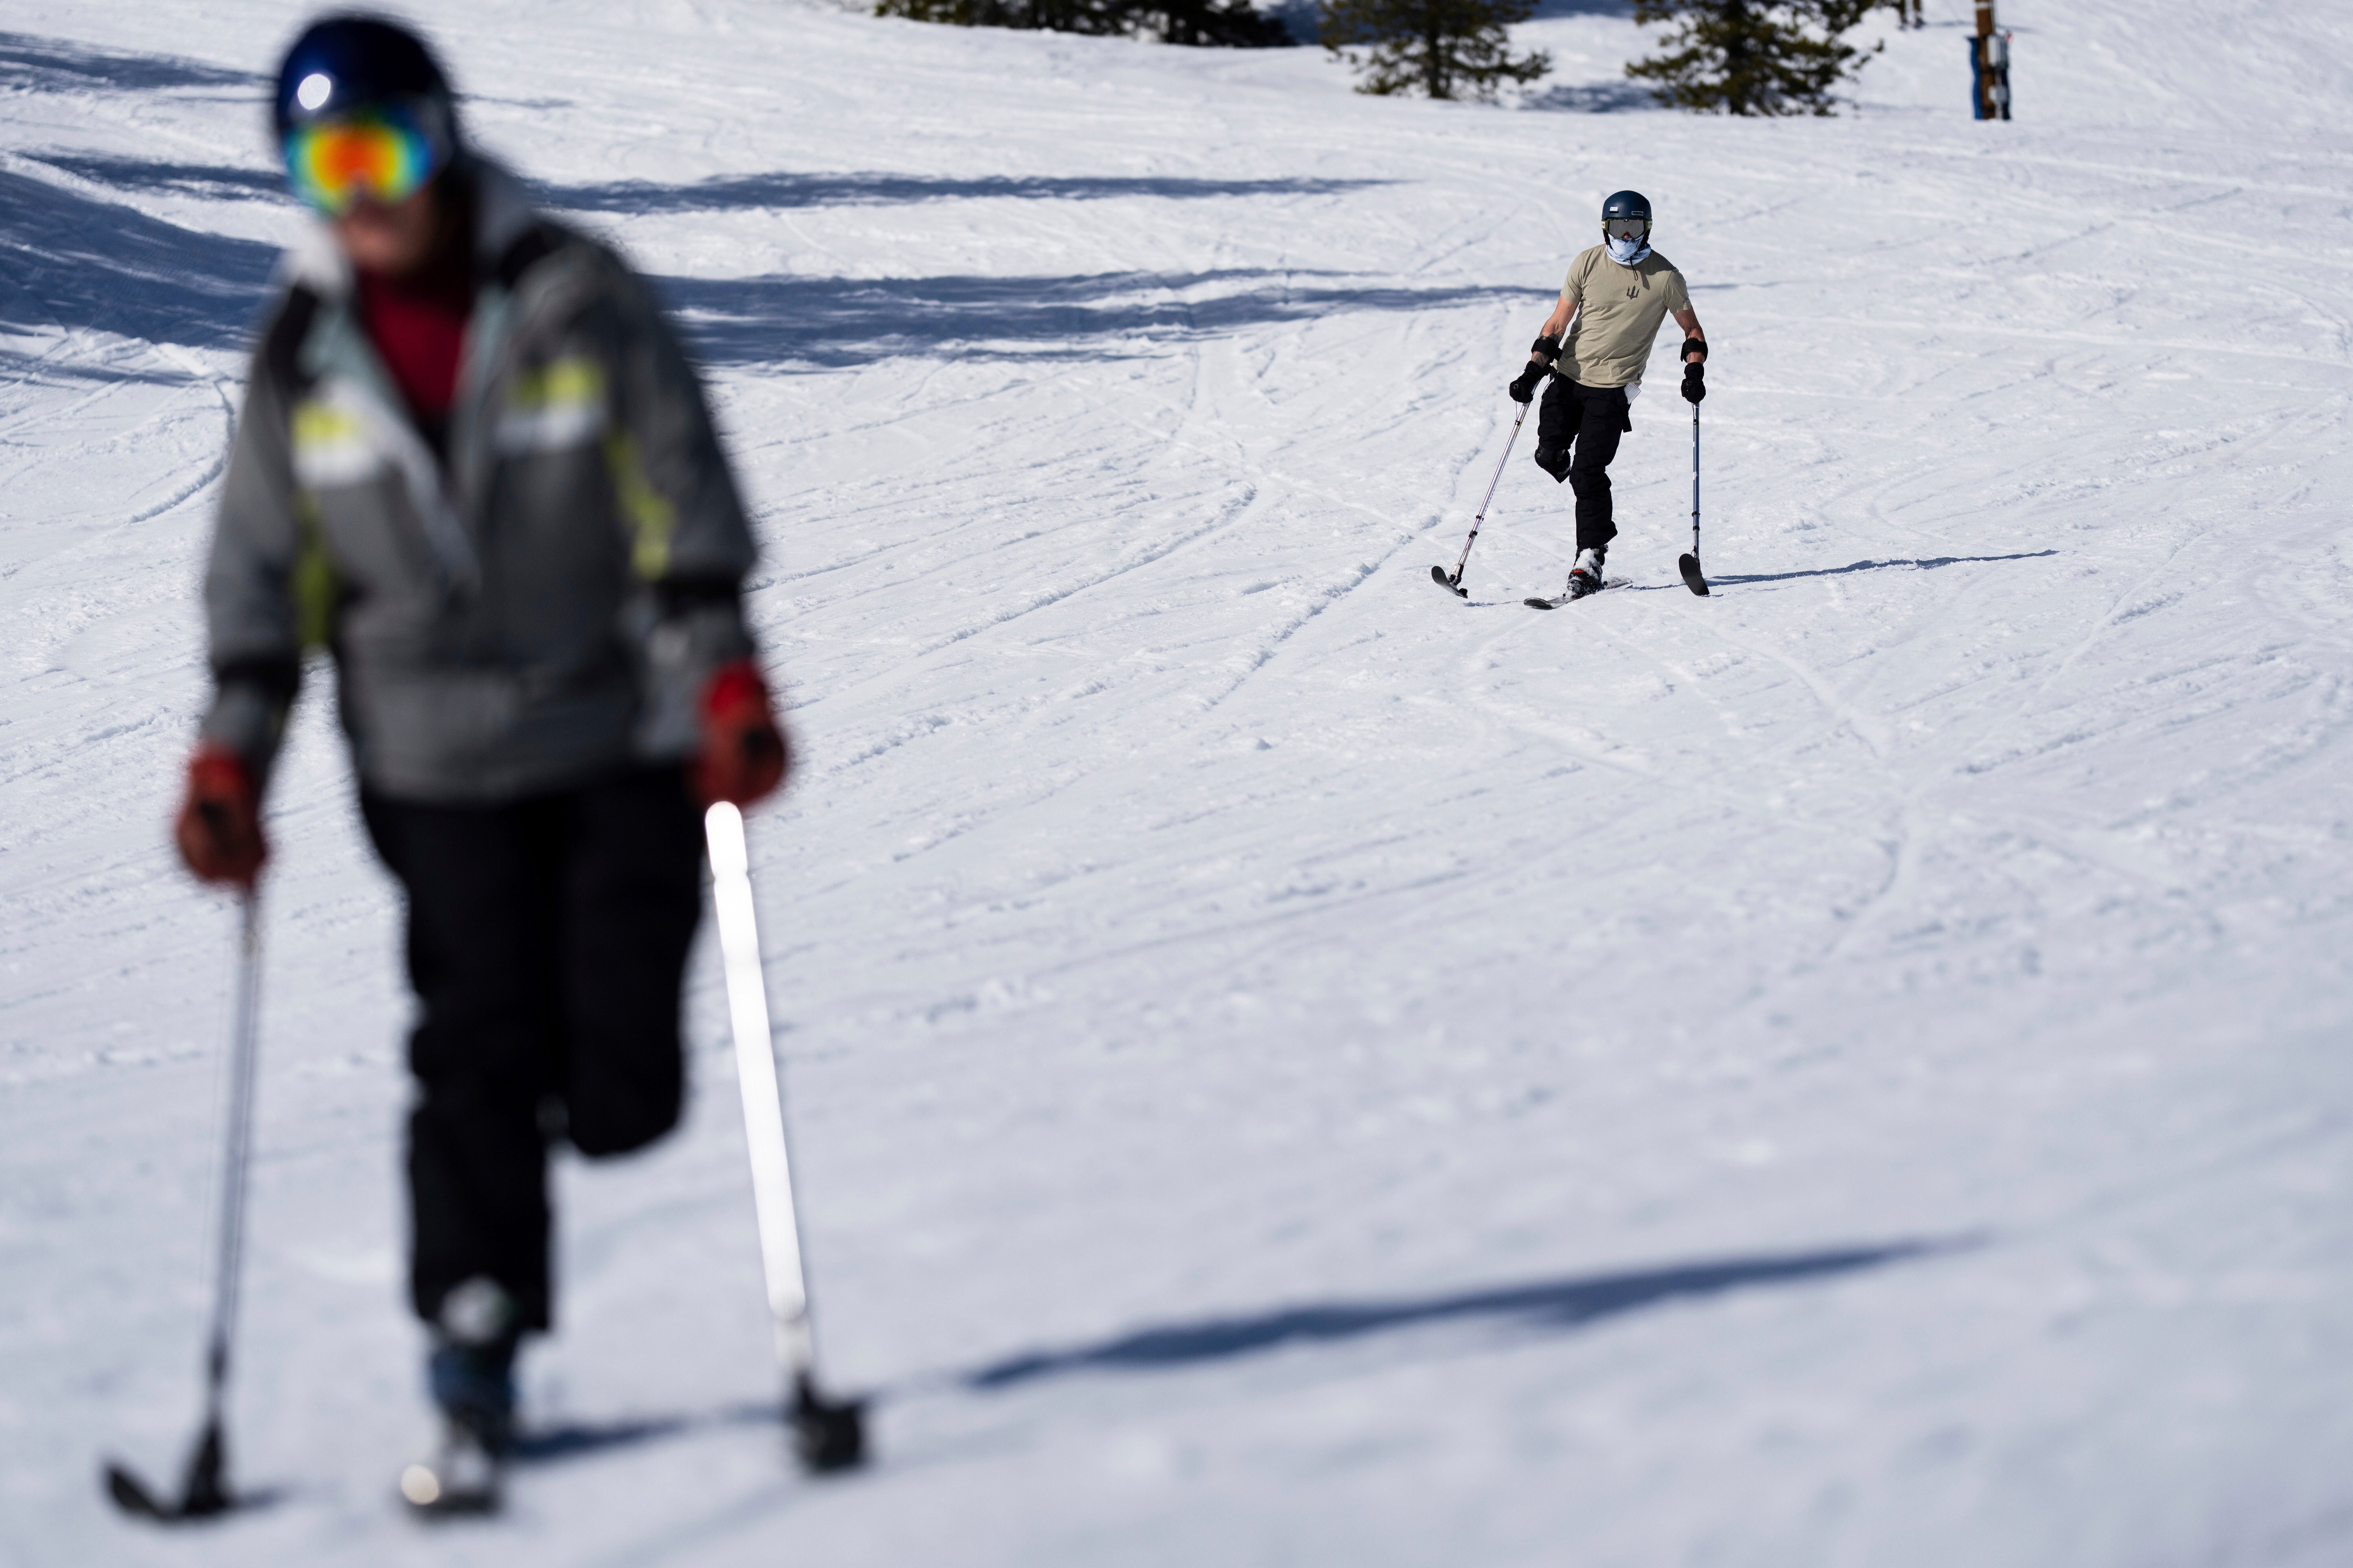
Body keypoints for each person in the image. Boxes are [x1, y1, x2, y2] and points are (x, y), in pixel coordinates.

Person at [169, 14, 788, 1512]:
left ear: (442, 142)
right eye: (327, 164)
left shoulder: (575, 297)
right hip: (431, 758)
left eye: (386, 150)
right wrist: (232, 755)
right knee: (475, 1036)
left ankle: (607, 1090)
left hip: (618, 733)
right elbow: (264, 576)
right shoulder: (304, 349)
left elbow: (682, 481)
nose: (362, 192)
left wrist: (721, 664)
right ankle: (474, 1329)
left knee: (619, 1076)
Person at [1508, 189, 1708, 601]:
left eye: (1634, 226)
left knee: (1588, 472)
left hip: (1613, 389)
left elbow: (1693, 331)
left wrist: (1693, 369)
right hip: (1567, 377)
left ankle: (1590, 559)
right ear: (1606, 227)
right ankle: (1579, 483)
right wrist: (1533, 369)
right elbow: (1557, 323)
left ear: (1646, 227)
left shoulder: (1665, 277)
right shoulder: (1587, 262)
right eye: (1619, 226)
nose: (1627, 234)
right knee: (1549, 456)